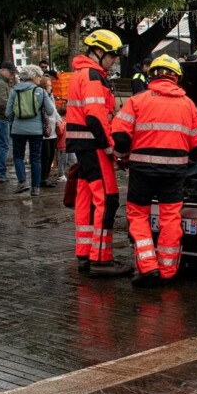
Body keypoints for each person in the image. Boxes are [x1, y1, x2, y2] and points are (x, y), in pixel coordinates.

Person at [112, 55, 197, 287]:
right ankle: (167, 270)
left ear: (152, 75)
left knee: (138, 215)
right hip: (174, 171)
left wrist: (124, 158)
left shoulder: (137, 101)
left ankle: (147, 267)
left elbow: (120, 137)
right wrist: (187, 163)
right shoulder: (188, 104)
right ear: (176, 77)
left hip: (142, 169)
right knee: (170, 216)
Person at [67, 29, 131, 278]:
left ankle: (84, 253)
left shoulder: (81, 73)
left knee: (86, 198)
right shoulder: (93, 76)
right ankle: (101, 259)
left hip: (82, 147)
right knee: (107, 199)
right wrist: (110, 148)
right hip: (93, 146)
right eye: (112, 55)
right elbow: (95, 116)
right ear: (99, 51)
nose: (114, 60)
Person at [6, 65, 55, 196]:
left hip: (18, 130)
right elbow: (50, 111)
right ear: (33, 77)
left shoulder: (14, 91)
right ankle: (36, 188)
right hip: (36, 130)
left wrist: (14, 122)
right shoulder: (41, 92)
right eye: (38, 76)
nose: (40, 79)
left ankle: (22, 181)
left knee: (18, 156)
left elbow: (8, 112)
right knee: (36, 158)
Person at [39, 75, 59, 187]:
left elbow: (54, 110)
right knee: (45, 155)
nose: (51, 87)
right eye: (49, 85)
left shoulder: (51, 96)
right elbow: (50, 110)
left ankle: (46, 177)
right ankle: (43, 178)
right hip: (45, 130)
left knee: (51, 154)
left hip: (52, 129)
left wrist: (59, 120)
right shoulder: (43, 95)